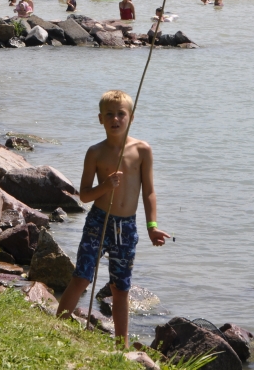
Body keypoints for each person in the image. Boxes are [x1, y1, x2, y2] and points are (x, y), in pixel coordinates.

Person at [56, 90, 169, 346]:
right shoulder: (95, 152)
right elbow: (84, 196)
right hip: (99, 221)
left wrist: (152, 227)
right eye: (109, 115)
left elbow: (149, 192)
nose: (115, 119)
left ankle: (121, 346)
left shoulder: (142, 150)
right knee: (82, 277)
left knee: (121, 288)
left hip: (127, 227)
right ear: (100, 119)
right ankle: (56, 326)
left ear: (131, 117)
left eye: (121, 114)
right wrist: (106, 186)